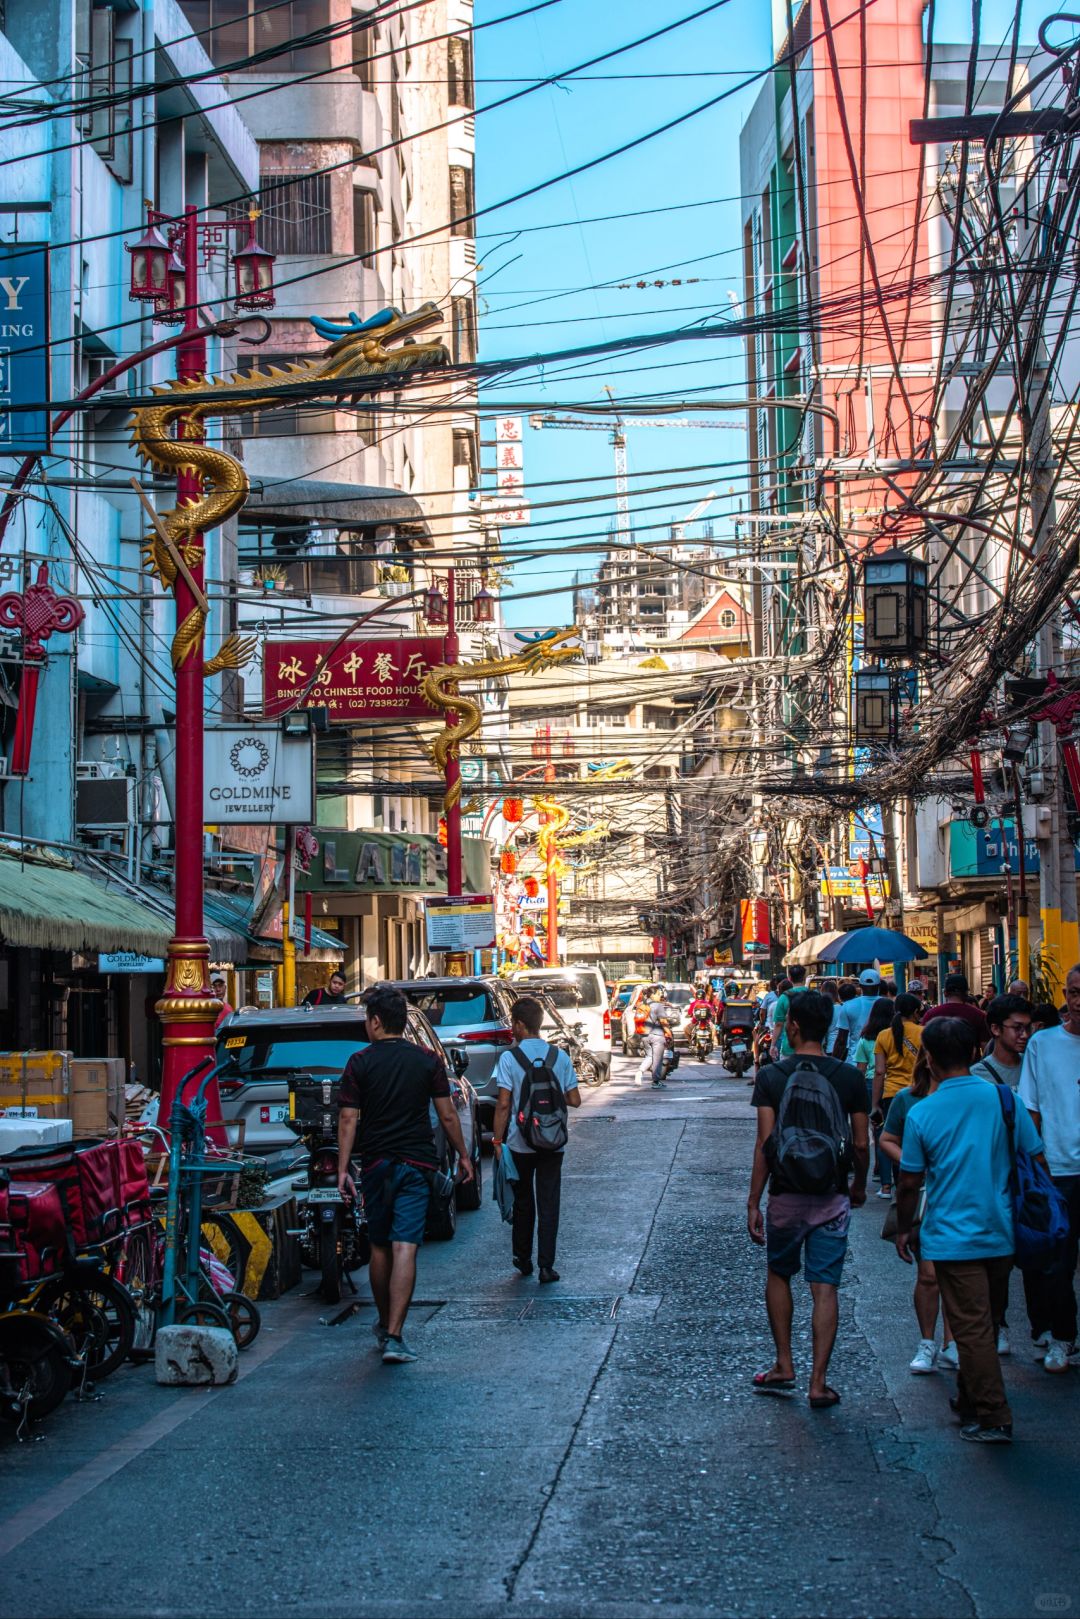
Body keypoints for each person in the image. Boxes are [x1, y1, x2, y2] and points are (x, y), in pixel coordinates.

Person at [895, 1016, 1044, 1443]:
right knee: (983, 1322)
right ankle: (969, 1399)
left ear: (929, 1059)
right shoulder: (1004, 1100)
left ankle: (994, 1415)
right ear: (975, 1051)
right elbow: (1035, 1157)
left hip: (951, 1235)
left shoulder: (923, 1112)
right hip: (1000, 1229)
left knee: (971, 1327)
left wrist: (905, 1229)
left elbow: (908, 1181)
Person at [337, 984, 474, 1364]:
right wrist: (464, 1155)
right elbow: (447, 1114)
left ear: (376, 1022)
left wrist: (344, 1167)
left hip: (377, 1164)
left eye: (367, 1019)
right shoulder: (427, 1060)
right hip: (418, 1164)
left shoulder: (359, 1063)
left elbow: (348, 1119)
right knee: (405, 1246)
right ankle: (395, 1334)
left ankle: (385, 1324)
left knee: (380, 1246)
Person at [748, 989, 869, 1408]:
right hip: (830, 1197)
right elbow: (860, 1143)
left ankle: (784, 1363)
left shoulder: (771, 1077)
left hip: (785, 1196)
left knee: (780, 1274)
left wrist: (753, 1201)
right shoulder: (850, 1078)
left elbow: (766, 1144)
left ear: (793, 1026)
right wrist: (858, 1185)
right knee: (825, 1287)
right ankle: (819, 1382)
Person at [492, 996, 582, 1283]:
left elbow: (504, 1104)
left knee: (523, 1201)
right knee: (549, 1201)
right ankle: (546, 1265)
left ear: (519, 1025)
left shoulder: (510, 1058)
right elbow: (575, 1100)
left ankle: (522, 1258)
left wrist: (497, 1140)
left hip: (521, 1142)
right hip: (554, 1141)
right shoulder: (560, 1056)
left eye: (512, 1024)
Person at [1017, 964, 1080, 1373]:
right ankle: (1063, 1338)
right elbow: (1032, 1109)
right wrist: (1037, 1170)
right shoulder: (1043, 1043)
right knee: (1059, 1262)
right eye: (1074, 992)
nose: (1079, 1000)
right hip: (1059, 1169)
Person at [879, 1050, 957, 1374]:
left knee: (956, 1275)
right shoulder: (906, 1099)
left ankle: (952, 1344)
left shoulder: (964, 1098)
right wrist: (912, 1161)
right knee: (928, 1275)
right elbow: (886, 1138)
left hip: (957, 1194)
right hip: (924, 1195)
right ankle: (927, 1342)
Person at [871, 993, 924, 1200]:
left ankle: (897, 1186)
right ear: (915, 1012)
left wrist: (875, 1104)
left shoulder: (883, 1035)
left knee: (893, 1141)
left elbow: (879, 1072)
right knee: (917, 1140)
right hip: (919, 1093)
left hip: (891, 1094)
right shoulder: (924, 1033)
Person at [971, 995, 1032, 1089]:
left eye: (1028, 1027)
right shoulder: (977, 1075)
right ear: (996, 1029)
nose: (1025, 1035)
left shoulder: (1033, 1065)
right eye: (1017, 1027)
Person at [920, 972, 990, 1047]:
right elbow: (985, 1046)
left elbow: (922, 1045)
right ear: (966, 993)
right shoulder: (978, 1015)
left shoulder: (931, 1014)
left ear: (945, 993)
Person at [831, 968, 882, 1061]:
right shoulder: (889, 1005)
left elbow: (841, 1040)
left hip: (855, 1062)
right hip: (882, 1062)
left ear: (860, 986)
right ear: (879, 985)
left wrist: (833, 1064)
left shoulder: (848, 1006)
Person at [637, 990, 674, 1089]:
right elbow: (663, 1022)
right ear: (652, 995)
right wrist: (669, 1034)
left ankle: (640, 1072)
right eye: (658, 994)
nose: (660, 996)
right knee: (657, 1059)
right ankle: (656, 1082)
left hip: (644, 1035)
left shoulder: (642, 1004)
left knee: (649, 1056)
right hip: (657, 1035)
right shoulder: (658, 1006)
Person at [770, 966, 806, 1060]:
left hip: (789, 1047)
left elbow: (778, 1024)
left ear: (789, 978)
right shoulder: (814, 995)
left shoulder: (784, 997)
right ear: (804, 977)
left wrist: (773, 1045)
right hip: (810, 1048)